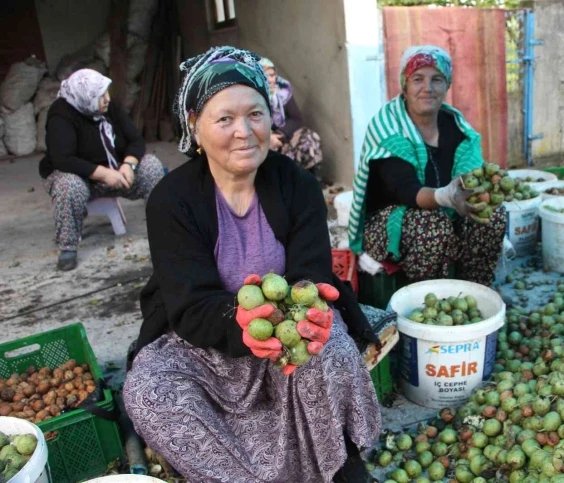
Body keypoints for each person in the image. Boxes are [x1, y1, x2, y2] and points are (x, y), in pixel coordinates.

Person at [123, 47, 380, 483]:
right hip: (203, 342)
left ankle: (339, 465)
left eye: (255, 114)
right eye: (224, 119)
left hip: (284, 334)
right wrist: (241, 321)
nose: (244, 132)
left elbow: (311, 272)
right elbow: (189, 304)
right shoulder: (172, 199)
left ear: (270, 117)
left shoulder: (296, 184)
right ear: (195, 126)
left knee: (332, 351)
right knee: (149, 393)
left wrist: (311, 311)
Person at [348, 45, 506, 285]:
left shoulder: (455, 125)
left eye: (437, 79)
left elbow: (469, 175)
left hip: (444, 212)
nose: (427, 88)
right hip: (388, 222)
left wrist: (481, 192)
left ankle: (475, 291)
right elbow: (406, 190)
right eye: (418, 79)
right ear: (405, 84)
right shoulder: (387, 128)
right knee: (431, 224)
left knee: (491, 215)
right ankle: (431, 302)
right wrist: (446, 196)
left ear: (447, 85)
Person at [39, 69, 164, 271]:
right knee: (68, 185)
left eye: (106, 93)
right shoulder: (61, 114)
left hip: (118, 173)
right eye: (100, 96)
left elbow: (135, 140)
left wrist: (128, 165)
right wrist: (104, 174)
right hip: (83, 179)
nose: (107, 99)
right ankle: (68, 247)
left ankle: (166, 233)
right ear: (85, 96)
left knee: (152, 166)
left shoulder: (109, 107)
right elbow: (63, 159)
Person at [258, 57, 323, 173]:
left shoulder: (283, 90)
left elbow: (296, 118)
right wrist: (268, 138)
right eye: (265, 77)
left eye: (272, 75)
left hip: (282, 137)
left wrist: (280, 135)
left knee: (309, 138)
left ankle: (308, 181)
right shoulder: (250, 97)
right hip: (261, 141)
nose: (271, 80)